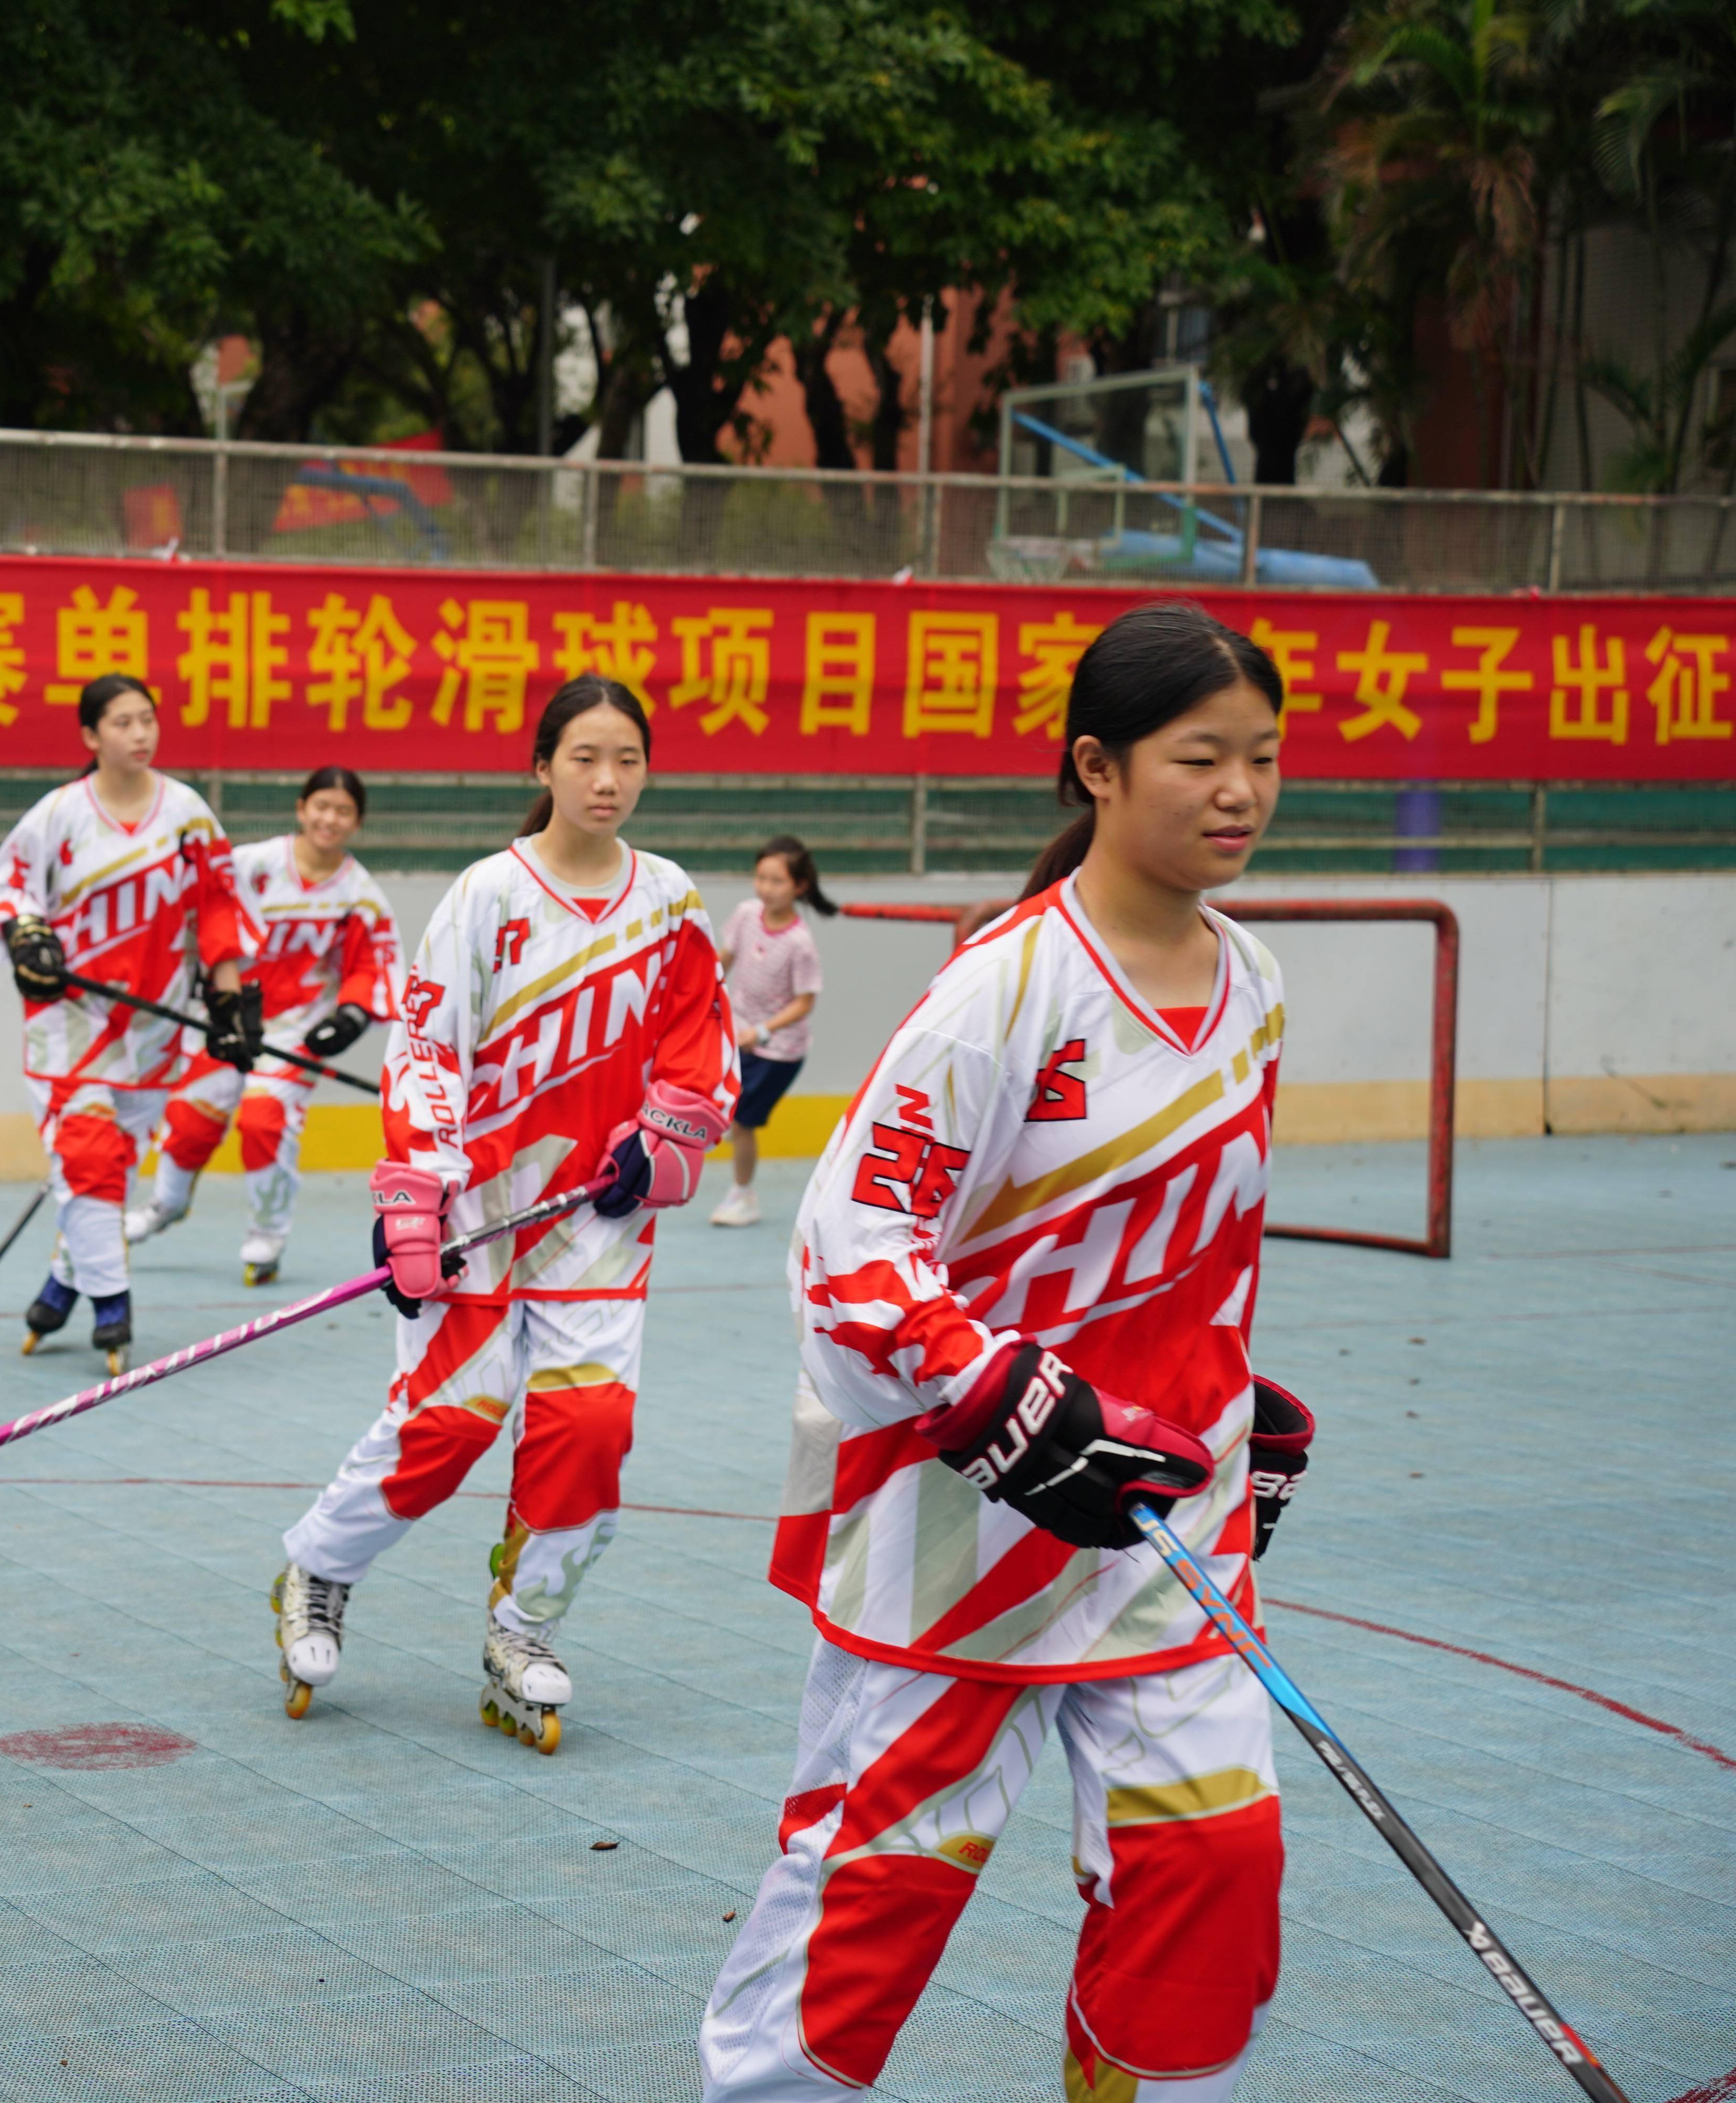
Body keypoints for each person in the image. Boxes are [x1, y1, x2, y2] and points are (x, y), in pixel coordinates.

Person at [699, 601, 1319, 2101]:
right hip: (970, 1528)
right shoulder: (1006, 990)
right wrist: (994, 1387)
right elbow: (851, 1246)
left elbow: (1191, 1260)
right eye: (1200, 758)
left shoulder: (1254, 989)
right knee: (870, 1907)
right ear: (1096, 770)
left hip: (1166, 1526)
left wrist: (1243, 1408)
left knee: (1211, 1878)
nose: (1240, 791)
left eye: (1266, 757)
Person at [271, 673, 736, 1751]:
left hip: (597, 1219)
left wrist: (665, 1137)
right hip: (478, 1211)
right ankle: (318, 1569)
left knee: (591, 1425)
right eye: (584, 757)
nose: (608, 778)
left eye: (627, 757)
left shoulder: (669, 899)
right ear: (543, 768)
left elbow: (697, 1040)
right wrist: (417, 1196)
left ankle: (523, 1630)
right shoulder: (488, 892)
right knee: (448, 1423)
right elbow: (429, 1049)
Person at [0, 673, 257, 1374]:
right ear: (90, 736)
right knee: (92, 1154)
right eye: (123, 723)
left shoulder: (188, 813)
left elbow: (218, 904)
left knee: (107, 1166)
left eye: (148, 720)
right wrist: (27, 935)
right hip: (68, 1018)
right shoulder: (59, 814)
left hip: (153, 1024)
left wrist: (228, 1004)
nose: (140, 734)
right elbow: (7, 891)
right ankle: (112, 1304)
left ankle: (61, 1284)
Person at [126, 765, 400, 1285]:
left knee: (263, 1121)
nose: (329, 819)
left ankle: (267, 1237)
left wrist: (351, 1015)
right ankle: (166, 1204)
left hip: (294, 1034)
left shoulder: (361, 896)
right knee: (189, 1119)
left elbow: (371, 966)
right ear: (301, 808)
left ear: (358, 822)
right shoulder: (252, 866)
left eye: (343, 811)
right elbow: (205, 910)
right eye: (321, 805)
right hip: (230, 1021)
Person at [707, 834, 830, 1228]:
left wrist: (762, 1031)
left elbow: (804, 1002)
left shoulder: (800, 944)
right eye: (761, 878)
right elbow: (726, 957)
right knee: (726, 1114)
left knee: (742, 1123)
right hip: (737, 1036)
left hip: (778, 1052)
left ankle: (743, 1197)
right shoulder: (746, 914)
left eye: (777, 881)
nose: (766, 888)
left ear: (799, 887)